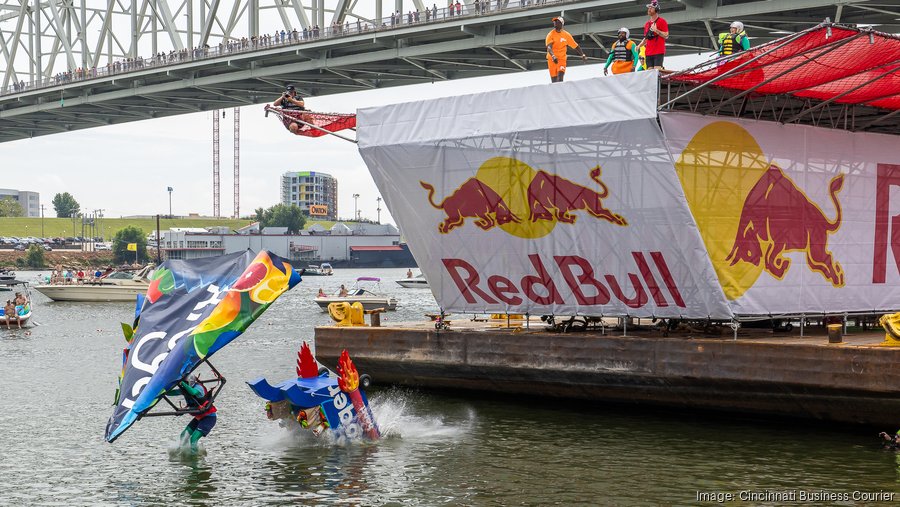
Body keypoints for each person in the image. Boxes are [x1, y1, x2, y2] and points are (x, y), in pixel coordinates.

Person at [169, 375, 216, 452]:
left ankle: (194, 457)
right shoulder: (184, 389)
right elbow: (170, 393)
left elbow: (193, 392)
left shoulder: (198, 388)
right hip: (198, 418)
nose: (183, 385)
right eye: (182, 383)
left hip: (209, 418)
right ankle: (181, 452)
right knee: (183, 436)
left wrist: (182, 383)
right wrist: (161, 391)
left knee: (193, 439)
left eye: (185, 383)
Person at [545, 16, 586, 83]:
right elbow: (549, 47)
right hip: (552, 60)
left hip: (561, 59)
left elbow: (576, 46)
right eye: (554, 22)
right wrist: (553, 56)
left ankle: (561, 92)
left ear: (561, 23)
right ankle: (556, 93)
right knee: (554, 82)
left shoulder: (566, 35)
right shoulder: (550, 35)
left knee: (560, 78)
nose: (555, 23)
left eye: (557, 21)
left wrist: (583, 54)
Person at [637, 1, 669, 70]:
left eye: (651, 8)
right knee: (650, 73)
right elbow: (646, 38)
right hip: (648, 52)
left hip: (659, 51)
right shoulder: (647, 24)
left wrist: (656, 30)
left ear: (656, 9)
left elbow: (666, 35)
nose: (649, 9)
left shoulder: (662, 21)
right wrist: (639, 45)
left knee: (656, 71)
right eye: (649, 8)